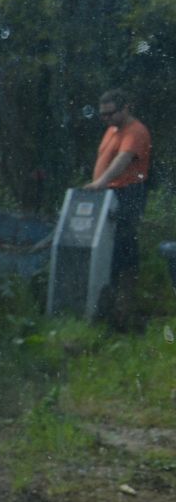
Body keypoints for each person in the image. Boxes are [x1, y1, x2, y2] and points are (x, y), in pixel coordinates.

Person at [86, 88, 152, 327]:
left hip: (128, 194)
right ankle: (107, 305)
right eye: (102, 115)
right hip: (109, 194)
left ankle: (124, 307)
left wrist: (100, 183)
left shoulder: (136, 131)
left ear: (126, 108)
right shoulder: (112, 130)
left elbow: (122, 160)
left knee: (124, 248)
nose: (106, 119)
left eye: (110, 114)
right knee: (107, 249)